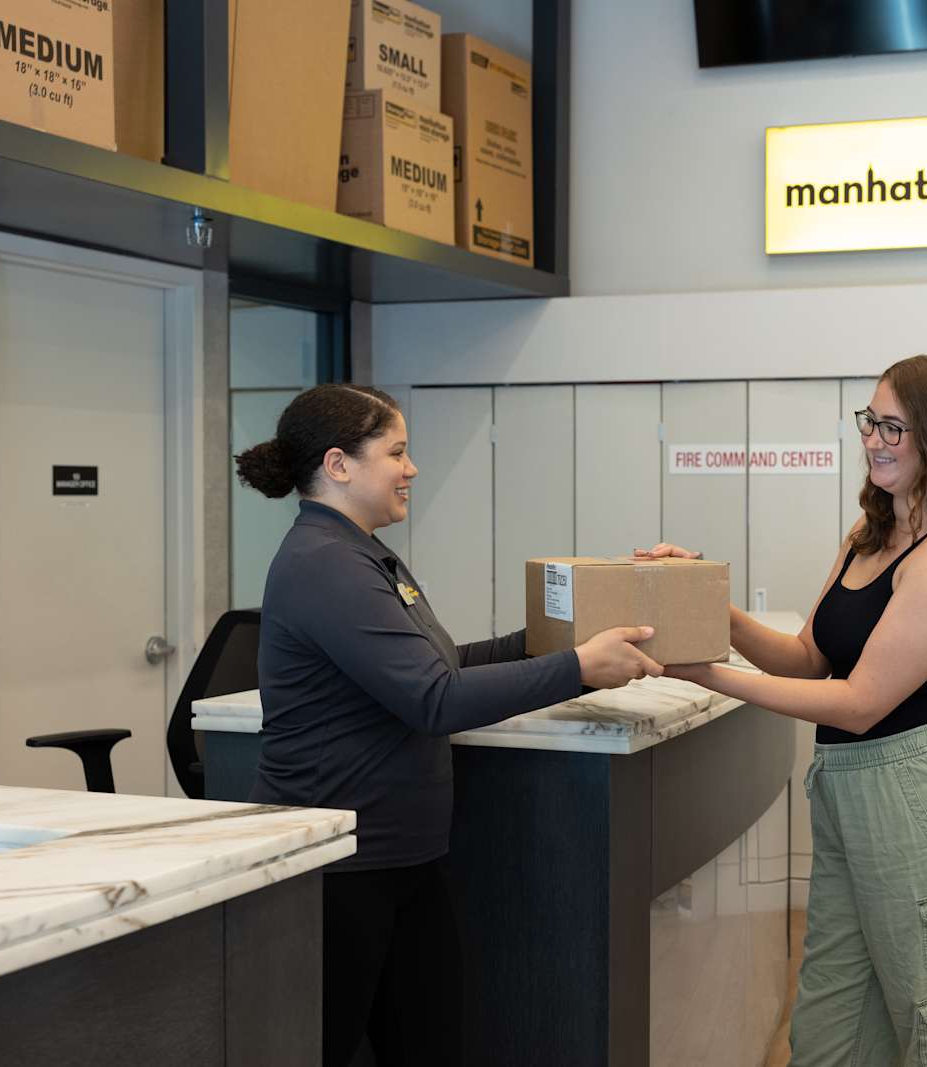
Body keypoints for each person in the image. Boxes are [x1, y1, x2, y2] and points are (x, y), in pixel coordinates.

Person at [234, 384, 662, 1067]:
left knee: (429, 1041)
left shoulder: (364, 552)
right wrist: (578, 666)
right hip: (344, 864)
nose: (412, 468)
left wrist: (545, 641)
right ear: (339, 464)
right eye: (397, 452)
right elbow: (434, 698)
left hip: (399, 856)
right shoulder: (324, 563)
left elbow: (436, 663)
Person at [640, 354, 927, 1065]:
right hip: (853, 793)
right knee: (830, 1024)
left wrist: (709, 674)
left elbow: (858, 702)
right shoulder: (869, 537)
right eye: (871, 421)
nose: (875, 439)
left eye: (895, 427)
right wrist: (703, 598)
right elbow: (808, 658)